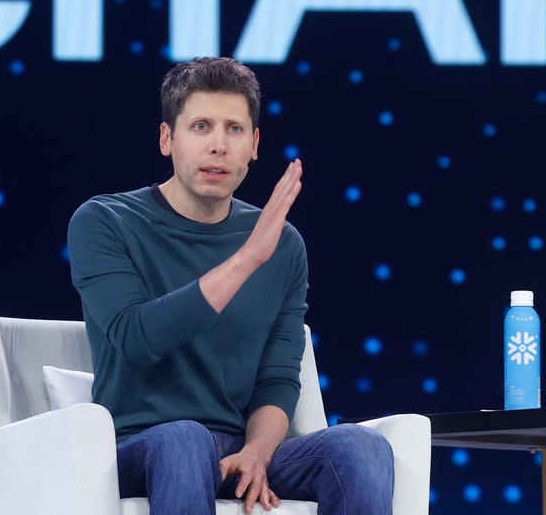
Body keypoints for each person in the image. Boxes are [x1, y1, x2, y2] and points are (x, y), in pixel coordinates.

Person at [67, 57, 393, 515]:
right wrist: (245, 259)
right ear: (167, 138)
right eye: (201, 126)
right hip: (142, 446)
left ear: (254, 145)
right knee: (185, 440)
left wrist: (257, 452)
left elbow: (278, 377)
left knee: (361, 447)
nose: (218, 145)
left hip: (238, 447)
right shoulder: (105, 221)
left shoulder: (281, 244)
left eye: (234, 129)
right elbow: (137, 337)